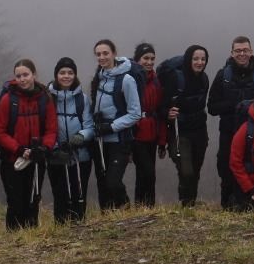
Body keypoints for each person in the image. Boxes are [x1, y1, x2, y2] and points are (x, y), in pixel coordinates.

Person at [0, 59, 58, 230]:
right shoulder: (8, 100)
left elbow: (52, 129)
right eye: (18, 76)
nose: (22, 79)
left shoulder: (45, 99)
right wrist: (19, 149)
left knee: (33, 200)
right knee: (15, 203)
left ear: (34, 75)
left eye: (26, 75)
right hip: (12, 160)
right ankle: (14, 242)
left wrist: (44, 148)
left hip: (37, 160)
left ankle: (31, 238)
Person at [208, 36, 254, 209]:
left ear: (251, 52)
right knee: (226, 168)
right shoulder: (223, 76)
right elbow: (211, 107)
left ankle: (253, 204)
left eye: (245, 50)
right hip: (229, 132)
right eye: (238, 51)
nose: (242, 54)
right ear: (232, 53)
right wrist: (234, 104)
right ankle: (227, 206)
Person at [86, 39, 141, 211]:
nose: (101, 57)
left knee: (113, 181)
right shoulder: (99, 78)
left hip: (119, 140)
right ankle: (106, 218)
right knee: (102, 182)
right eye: (98, 54)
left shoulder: (126, 79)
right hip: (100, 140)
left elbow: (135, 113)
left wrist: (111, 126)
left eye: (105, 53)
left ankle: (124, 208)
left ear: (114, 53)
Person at [160, 45, 210, 207]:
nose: (200, 62)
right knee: (186, 170)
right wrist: (167, 112)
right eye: (195, 59)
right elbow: (161, 105)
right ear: (188, 60)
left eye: (203, 59)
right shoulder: (176, 79)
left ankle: (190, 204)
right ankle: (185, 201)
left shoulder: (204, 79)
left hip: (200, 131)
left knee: (195, 169)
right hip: (179, 132)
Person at [47, 58, 94, 223]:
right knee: (60, 196)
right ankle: (60, 231)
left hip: (80, 156)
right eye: (62, 73)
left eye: (70, 73)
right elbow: (44, 127)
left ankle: (79, 229)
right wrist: (54, 148)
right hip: (56, 156)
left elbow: (89, 126)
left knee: (79, 194)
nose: (66, 76)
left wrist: (80, 137)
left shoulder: (83, 99)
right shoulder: (47, 98)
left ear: (75, 75)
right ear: (56, 75)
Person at [127, 43, 166, 208]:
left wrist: (162, 142)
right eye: (146, 58)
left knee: (147, 173)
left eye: (152, 58)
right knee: (147, 172)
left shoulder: (156, 81)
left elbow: (160, 111)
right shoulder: (130, 80)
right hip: (136, 133)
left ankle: (145, 207)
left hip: (153, 133)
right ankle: (144, 206)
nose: (149, 62)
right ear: (137, 60)